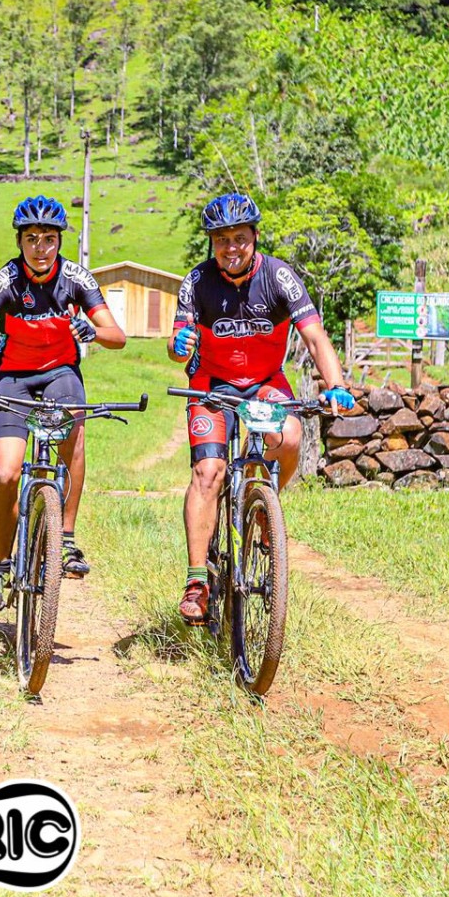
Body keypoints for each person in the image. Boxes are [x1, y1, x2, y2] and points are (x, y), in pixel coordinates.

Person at [170, 192, 355, 625]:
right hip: (211, 385)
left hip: (265, 382)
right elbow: (177, 349)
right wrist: (179, 345)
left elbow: (314, 337)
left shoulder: (279, 277)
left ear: (254, 237)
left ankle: (264, 503)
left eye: (239, 238)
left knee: (289, 437)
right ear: (212, 243)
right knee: (208, 472)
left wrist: (337, 385)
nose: (231, 248)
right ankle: (197, 582)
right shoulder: (196, 282)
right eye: (221, 240)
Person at [0, 195, 127, 611]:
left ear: (59, 241)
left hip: (60, 374)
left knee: (74, 437)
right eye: (31, 239)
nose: (41, 248)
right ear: (20, 242)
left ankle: (65, 538)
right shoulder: (7, 280)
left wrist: (93, 331)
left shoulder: (76, 278)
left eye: (49, 239)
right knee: (6, 473)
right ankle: (0, 565)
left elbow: (117, 336)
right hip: (13, 379)